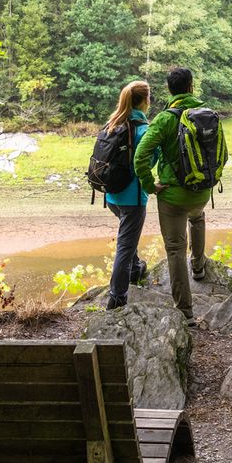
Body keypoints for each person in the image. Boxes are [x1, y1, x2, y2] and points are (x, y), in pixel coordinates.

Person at [133, 66, 210, 325]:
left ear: (169, 89)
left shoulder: (164, 119)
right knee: (197, 218)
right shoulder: (206, 114)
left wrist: (148, 185)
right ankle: (198, 267)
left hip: (172, 197)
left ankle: (186, 312)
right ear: (191, 86)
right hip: (201, 192)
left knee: (176, 249)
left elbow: (140, 156)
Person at [102, 80, 152, 310]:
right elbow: (148, 162)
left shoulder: (113, 123)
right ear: (145, 100)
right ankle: (117, 297)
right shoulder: (142, 130)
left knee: (127, 237)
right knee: (125, 245)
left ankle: (135, 269)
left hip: (112, 195)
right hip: (133, 198)